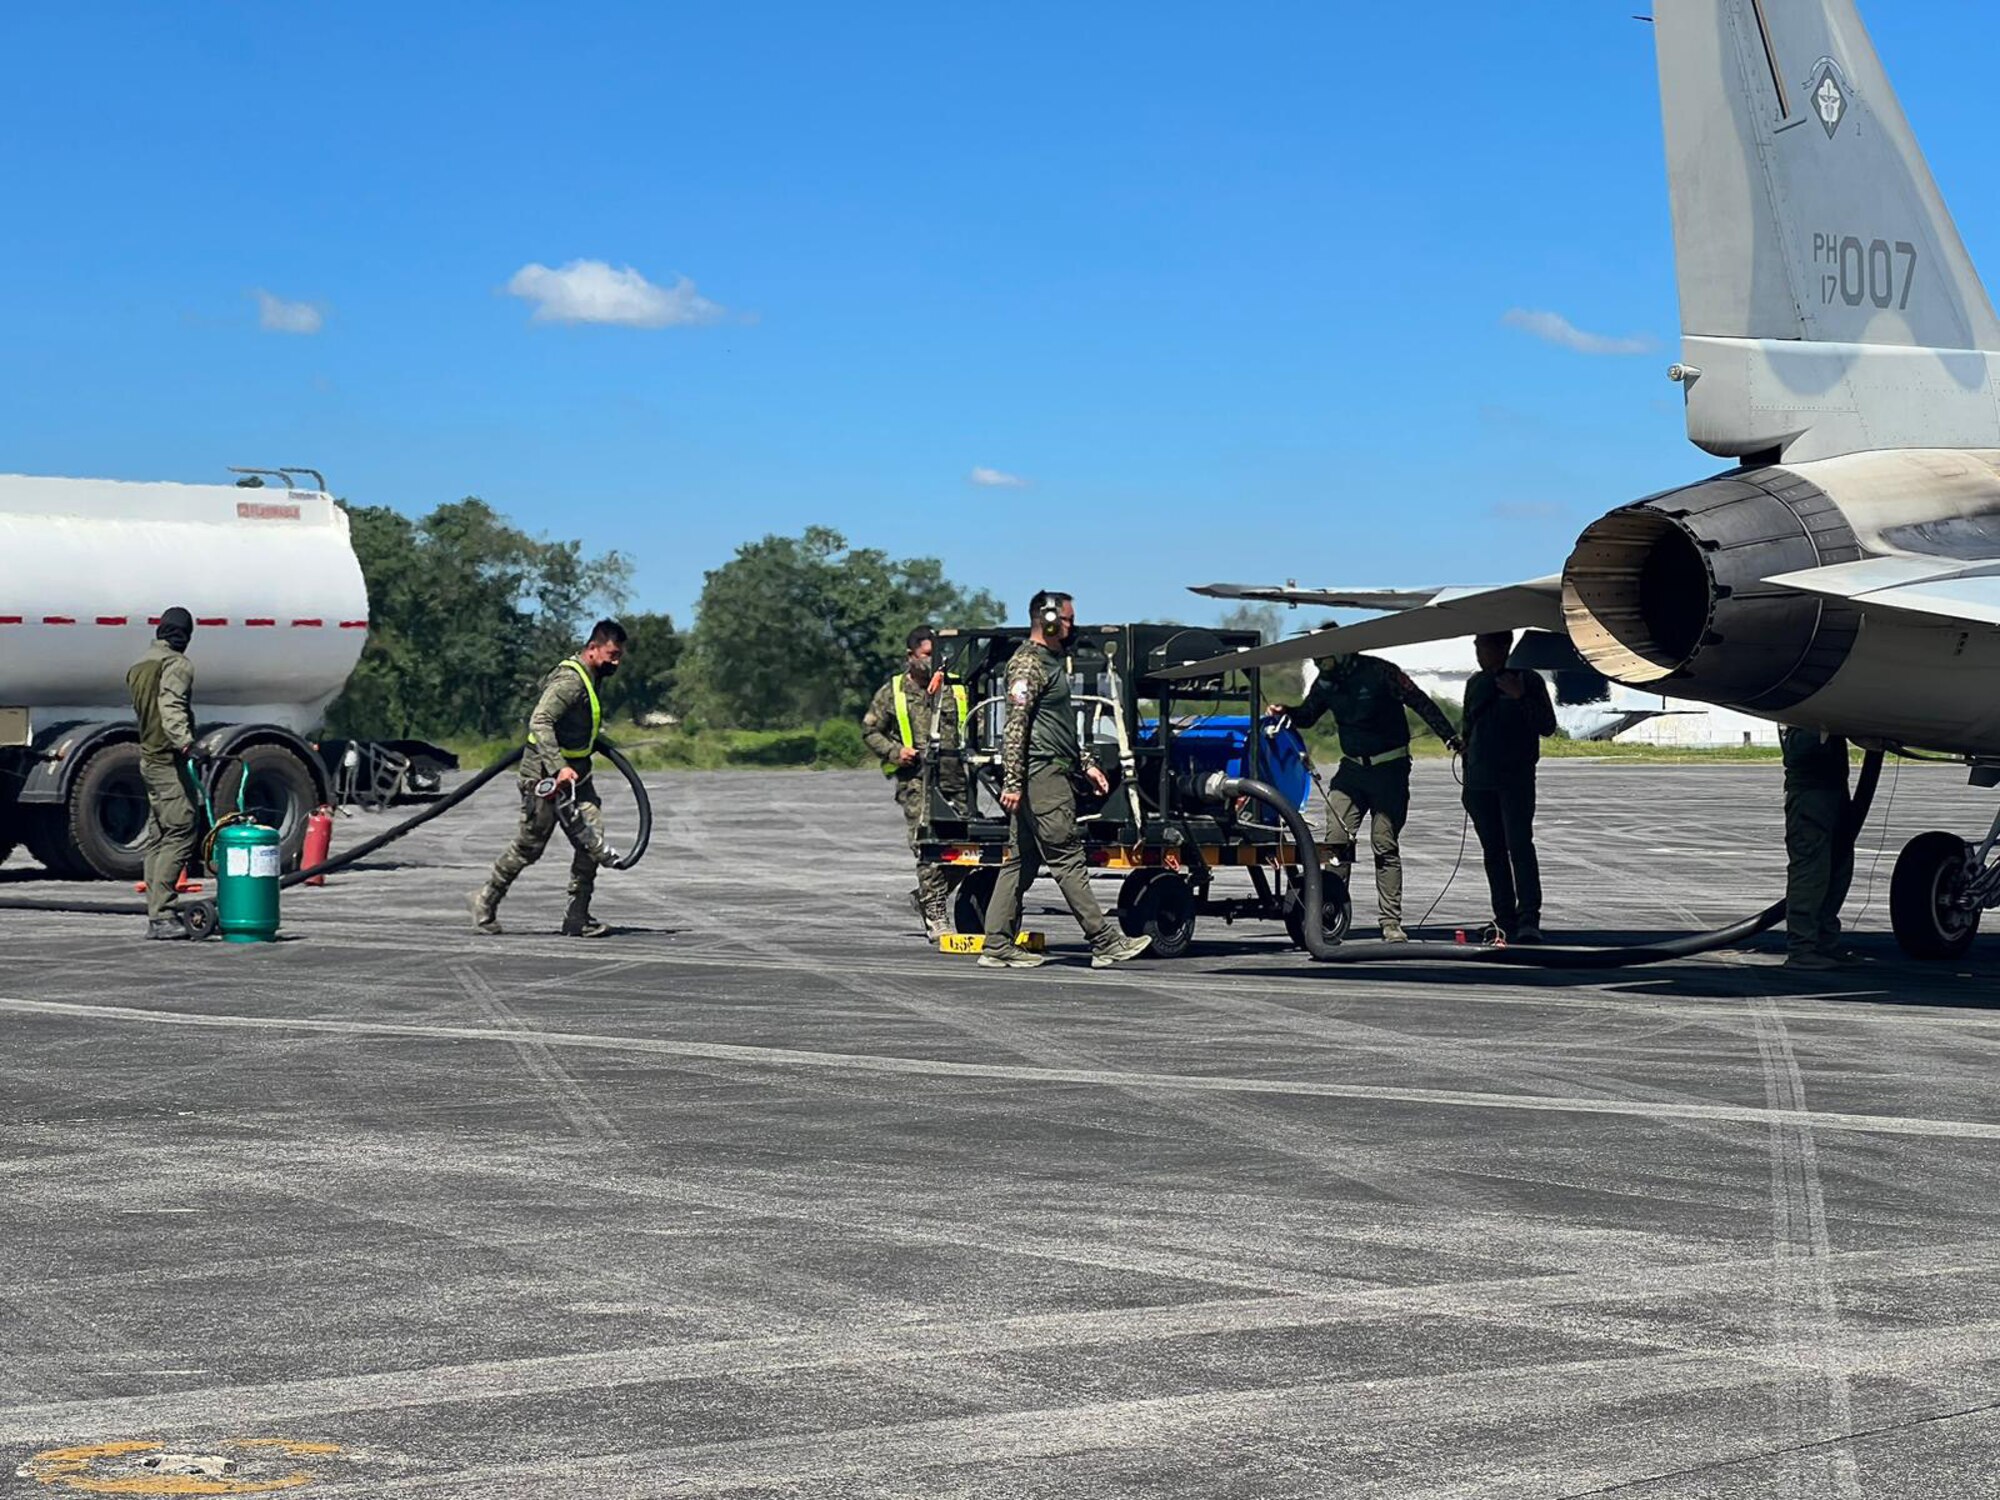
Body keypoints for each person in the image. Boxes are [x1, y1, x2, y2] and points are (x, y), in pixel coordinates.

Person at [978, 591, 1151, 970]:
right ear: (1050, 619)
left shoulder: (1046, 663)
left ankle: (997, 944)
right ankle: (1104, 941)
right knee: (1067, 857)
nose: (1073, 626)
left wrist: (1085, 762)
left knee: (1020, 861)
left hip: (1047, 771)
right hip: (1042, 776)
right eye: (1068, 619)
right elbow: (1015, 727)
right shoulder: (1027, 666)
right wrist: (1013, 781)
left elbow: (1059, 727)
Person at [1270, 650, 1463, 942]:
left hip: (1389, 769)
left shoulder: (1381, 672)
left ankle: (1390, 922)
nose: (1321, 666)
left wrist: (1449, 736)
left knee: (1384, 844)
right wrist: (1288, 712)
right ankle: (1330, 916)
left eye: (1324, 659)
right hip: (1351, 770)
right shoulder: (1327, 682)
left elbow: (1419, 700)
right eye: (1317, 662)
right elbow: (1309, 715)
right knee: (1335, 844)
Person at [469, 620, 627, 938]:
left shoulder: (593, 678)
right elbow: (540, 720)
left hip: (578, 777)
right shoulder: (570, 681)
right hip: (545, 776)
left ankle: (577, 917)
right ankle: (485, 901)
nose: (616, 661)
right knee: (530, 847)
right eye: (612, 654)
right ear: (593, 649)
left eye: (620, 655)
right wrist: (557, 767)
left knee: (591, 841)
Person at [861, 626, 968, 941]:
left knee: (969, 851)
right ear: (910, 656)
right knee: (927, 847)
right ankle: (936, 916)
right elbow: (870, 731)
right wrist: (896, 751)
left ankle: (924, 895)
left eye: (937, 655)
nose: (933, 662)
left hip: (957, 780)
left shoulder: (956, 688)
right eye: (926, 655)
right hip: (916, 781)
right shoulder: (893, 691)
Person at [1460, 630, 1557, 943]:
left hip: (1515, 779)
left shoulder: (1528, 680)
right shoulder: (1475, 683)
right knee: (1494, 852)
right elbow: (1467, 730)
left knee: (1520, 847)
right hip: (1480, 782)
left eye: (1484, 646)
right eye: (1476, 646)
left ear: (1504, 646)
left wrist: (1520, 697)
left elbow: (1547, 726)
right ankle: (1504, 918)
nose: (1478, 652)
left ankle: (1529, 918)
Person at [126, 607, 201, 940]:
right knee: (181, 829)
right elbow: (171, 708)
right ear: (184, 635)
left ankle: (157, 913)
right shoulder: (176, 665)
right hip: (167, 760)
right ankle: (162, 915)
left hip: (149, 758)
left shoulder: (140, 665)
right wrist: (187, 743)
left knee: (159, 836)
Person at [1779, 725, 1857, 970]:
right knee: (1811, 872)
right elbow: (1803, 747)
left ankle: (1824, 943)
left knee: (1839, 869)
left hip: (1833, 791)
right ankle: (1802, 948)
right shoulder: (1798, 717)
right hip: (1810, 795)